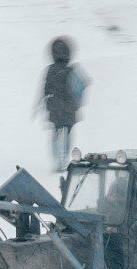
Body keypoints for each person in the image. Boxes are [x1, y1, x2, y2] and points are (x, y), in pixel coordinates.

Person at [39, 37, 90, 172]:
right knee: (68, 133)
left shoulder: (50, 69)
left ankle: (57, 162)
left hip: (55, 107)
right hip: (69, 107)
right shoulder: (72, 69)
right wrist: (77, 103)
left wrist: (46, 104)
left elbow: (46, 89)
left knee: (55, 134)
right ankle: (65, 159)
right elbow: (84, 83)